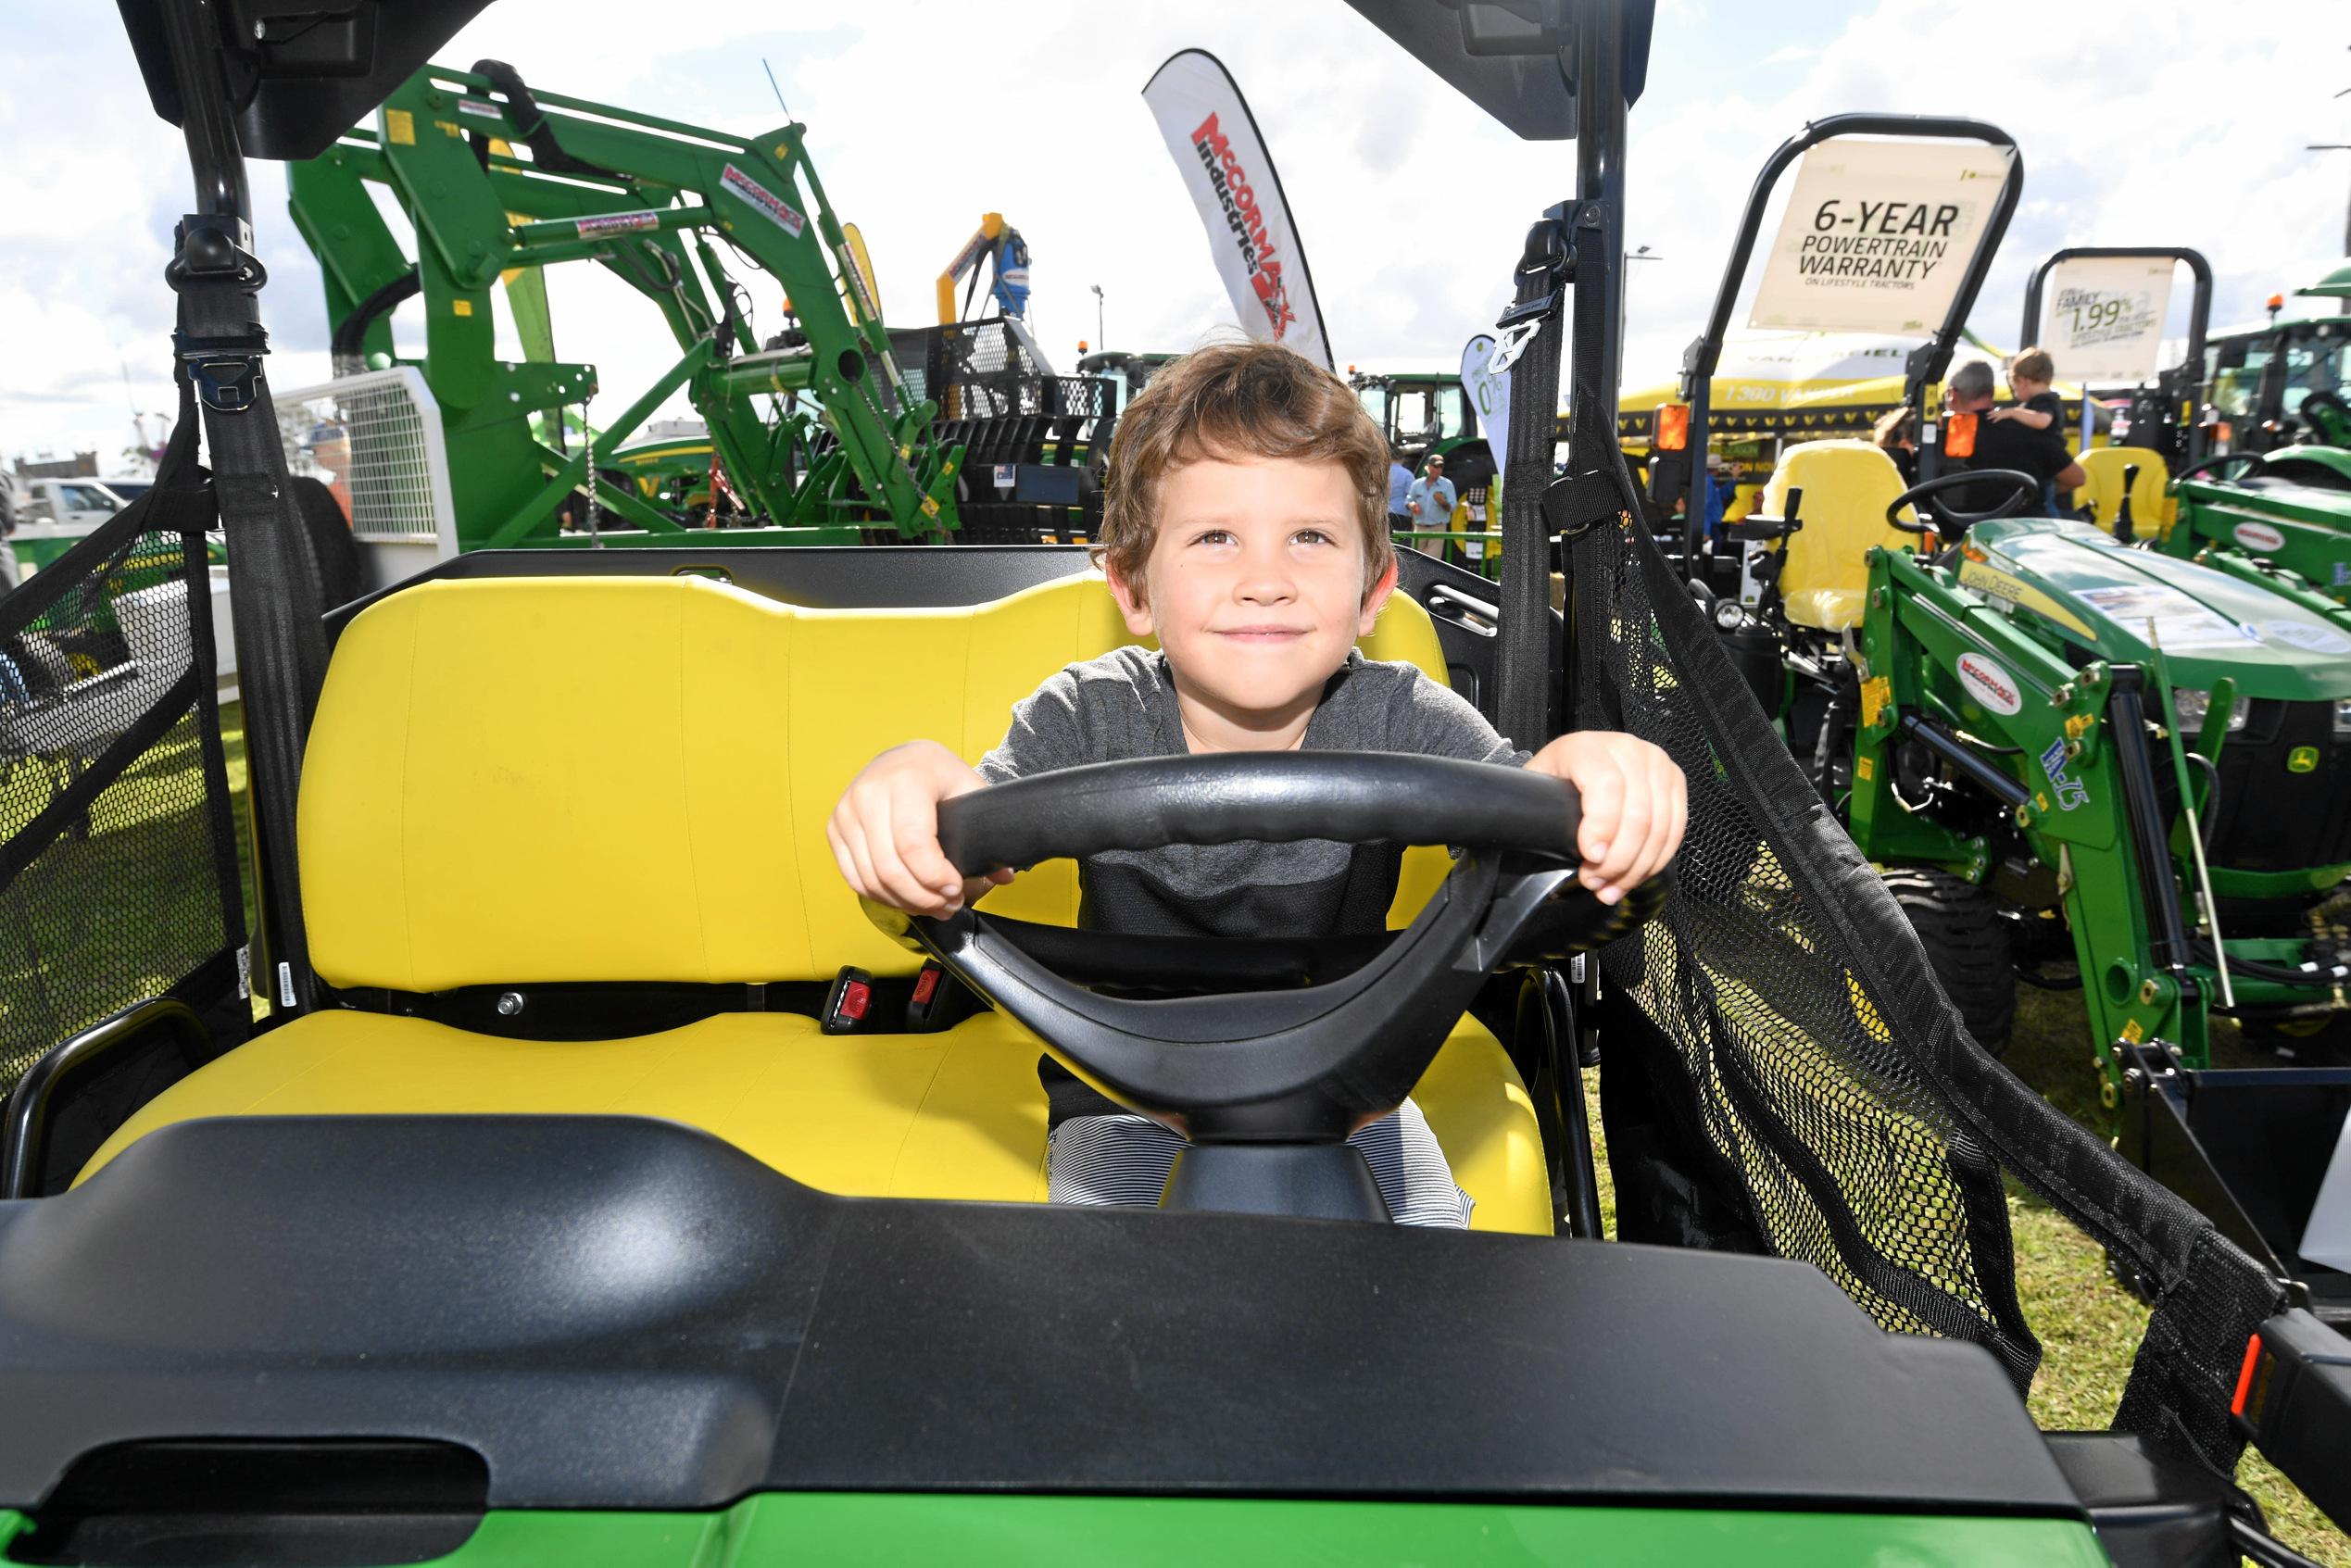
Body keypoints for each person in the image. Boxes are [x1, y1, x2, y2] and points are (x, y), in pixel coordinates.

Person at [829, 341, 1687, 1227]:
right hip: (1125, 1094)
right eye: (1215, 538)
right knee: (1124, 1301)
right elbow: (959, 837)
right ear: (1131, 585)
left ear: (1372, 591)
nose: (1265, 582)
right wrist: (911, 788)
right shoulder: (1085, 717)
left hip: (1353, 1093)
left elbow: (1528, 810)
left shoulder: (1400, 716)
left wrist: (1594, 769)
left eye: (1309, 538)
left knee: (1433, 1288)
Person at [1945, 359, 2082, 520]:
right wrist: (2035, 491)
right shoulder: (2028, 427)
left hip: (1967, 530)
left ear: (1953, 395)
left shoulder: (1947, 435)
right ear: (1992, 392)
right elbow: (2077, 478)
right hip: (2027, 528)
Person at [1992, 348, 2068, 510]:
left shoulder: (2044, 401)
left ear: (2023, 381)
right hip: (2045, 464)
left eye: (2015, 388)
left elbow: (2042, 421)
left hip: (2048, 465)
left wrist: (2012, 412)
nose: (2016, 394)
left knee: (2048, 506)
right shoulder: (2044, 400)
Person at [1404, 452, 1457, 546]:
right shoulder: (1417, 484)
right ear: (1428, 467)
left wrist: (1443, 502)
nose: (1438, 470)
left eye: (1441, 467)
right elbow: (1408, 501)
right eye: (1435, 466)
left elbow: (1453, 508)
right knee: (1416, 559)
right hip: (1419, 528)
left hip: (1438, 529)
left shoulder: (1447, 485)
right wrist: (1411, 505)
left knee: (1432, 559)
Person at [1386, 446, 1413, 535]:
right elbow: (1411, 495)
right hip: (1402, 514)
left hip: (1385, 513)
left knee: (1387, 540)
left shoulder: (1384, 473)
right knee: (1402, 542)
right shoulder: (1408, 474)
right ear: (1403, 459)